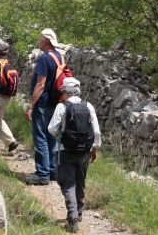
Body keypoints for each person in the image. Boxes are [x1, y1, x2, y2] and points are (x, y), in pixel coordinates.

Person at [48, 77, 101, 233]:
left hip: (64, 151)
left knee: (67, 182)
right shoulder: (88, 106)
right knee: (80, 181)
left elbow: (51, 128)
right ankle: (79, 212)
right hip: (84, 150)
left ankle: (72, 216)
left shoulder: (61, 106)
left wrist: (62, 138)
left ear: (65, 92)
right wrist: (94, 149)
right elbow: (96, 131)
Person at [24, 28, 63, 185]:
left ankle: (42, 174)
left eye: (40, 39)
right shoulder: (60, 57)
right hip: (56, 103)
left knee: (40, 138)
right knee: (52, 137)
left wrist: (31, 105)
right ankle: (52, 171)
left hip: (43, 103)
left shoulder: (44, 59)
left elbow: (40, 84)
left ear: (46, 41)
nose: (38, 42)